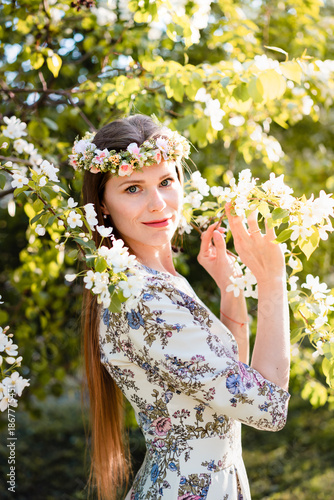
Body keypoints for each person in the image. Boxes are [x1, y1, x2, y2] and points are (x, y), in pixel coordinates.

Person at [80, 114, 290, 500]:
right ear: (103, 205)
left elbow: (232, 381)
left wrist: (230, 288)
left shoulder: (160, 282)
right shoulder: (144, 298)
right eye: (132, 189)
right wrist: (273, 283)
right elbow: (268, 408)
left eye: (165, 182)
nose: (158, 204)